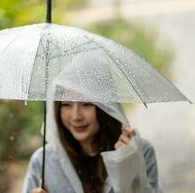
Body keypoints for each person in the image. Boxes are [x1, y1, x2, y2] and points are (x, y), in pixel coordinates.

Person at [22, 82, 162, 193]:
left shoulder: (141, 151)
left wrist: (126, 165)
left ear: (106, 107)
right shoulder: (43, 162)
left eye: (87, 104)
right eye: (66, 104)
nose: (76, 116)